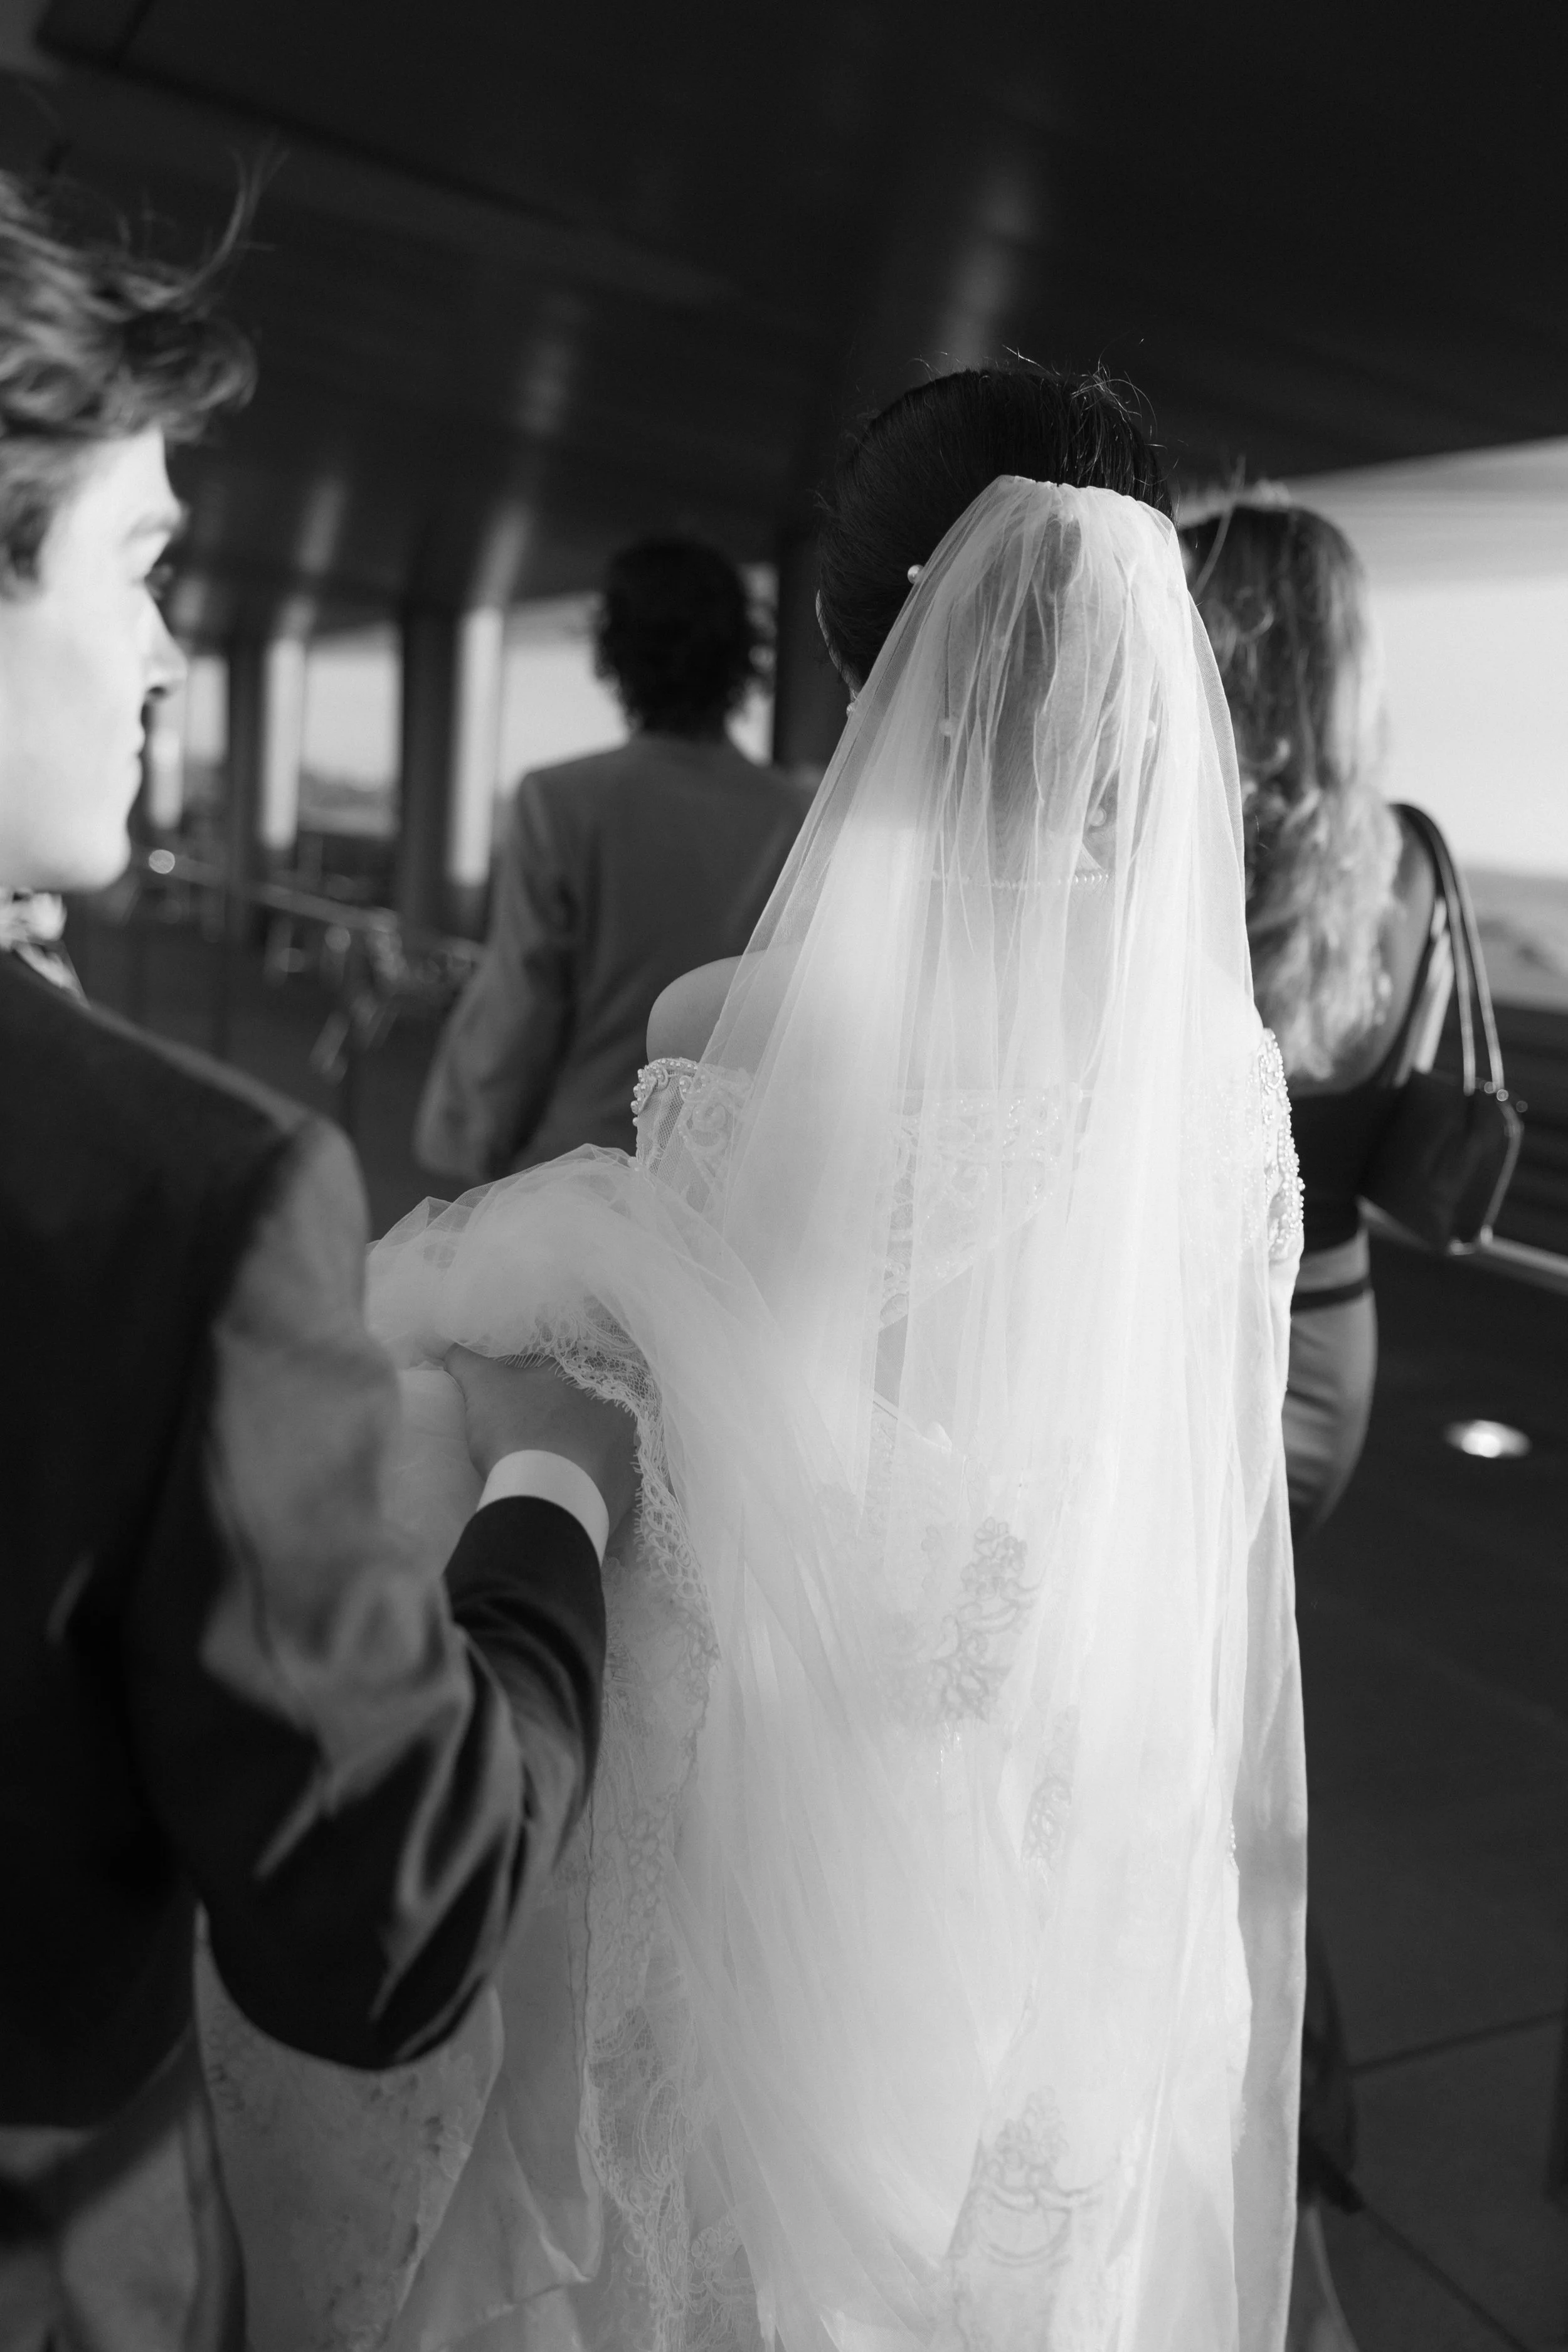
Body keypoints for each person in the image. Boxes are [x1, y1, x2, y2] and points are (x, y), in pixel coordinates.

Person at [222, 364, 1308, 2352]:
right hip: (1092, 1762)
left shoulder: (738, 1019)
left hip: (811, 1747)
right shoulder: (1216, 1066)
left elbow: (712, 1418)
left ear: (857, 647)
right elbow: (1200, 1465)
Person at [0, 174, 635, 2351]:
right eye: (138, 568)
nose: (171, 652)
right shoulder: (188, 1197)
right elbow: (388, 1916)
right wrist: (549, 1504)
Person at [1183, 495, 1453, 2352]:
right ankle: (1287, 2120)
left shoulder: (1181, 837)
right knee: (1227, 1701)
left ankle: (1270, 2117)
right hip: (1330, 1341)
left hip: (1195, 1340)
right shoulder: (1401, 860)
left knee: (1190, 1741)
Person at [415, 538, 807, 1178]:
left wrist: (471, 1145)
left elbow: (521, 1005)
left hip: (579, 1171)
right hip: (724, 1181)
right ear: (741, 657)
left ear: (616, 655)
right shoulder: (793, 816)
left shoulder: (560, 802)